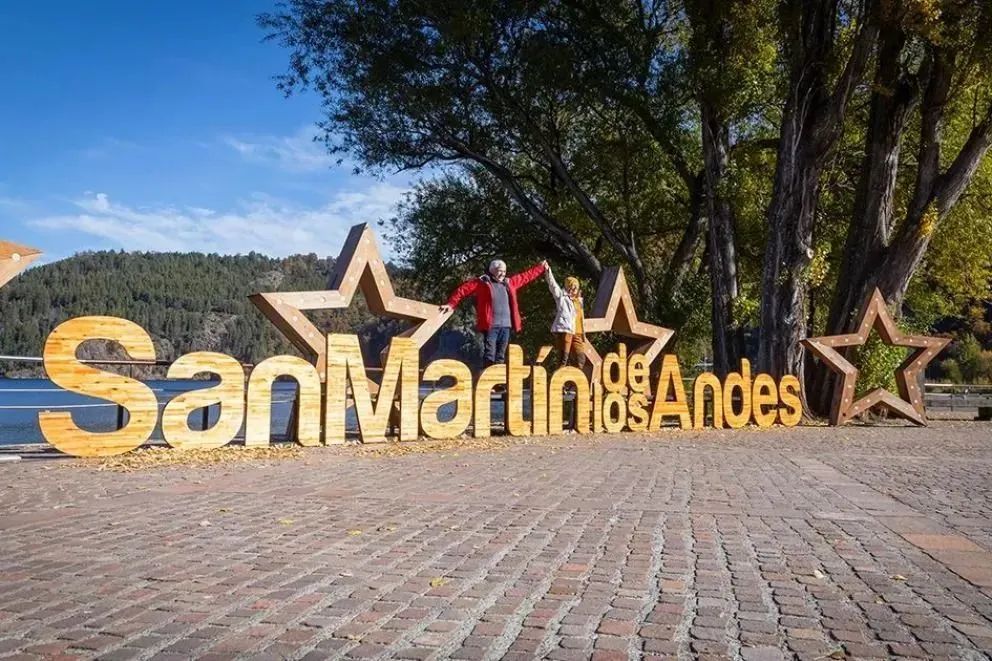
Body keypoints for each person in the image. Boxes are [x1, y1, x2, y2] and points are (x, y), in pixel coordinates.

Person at [440, 259, 548, 368]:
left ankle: (499, 378)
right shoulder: (482, 283)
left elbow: (526, 276)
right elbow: (463, 290)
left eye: (504, 271)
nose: (502, 274)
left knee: (501, 356)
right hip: (491, 326)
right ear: (492, 270)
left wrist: (541, 267)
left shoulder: (509, 283)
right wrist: (451, 304)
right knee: (489, 354)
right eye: (500, 271)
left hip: (506, 326)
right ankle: (487, 376)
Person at [545, 266, 586, 369]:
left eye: (575, 287)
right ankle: (559, 377)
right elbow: (553, 285)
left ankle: (574, 378)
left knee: (580, 359)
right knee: (563, 359)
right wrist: (548, 271)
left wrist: (583, 334)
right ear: (567, 288)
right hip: (565, 331)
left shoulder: (579, 301)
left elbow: (581, 318)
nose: (574, 290)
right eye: (571, 287)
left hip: (577, 333)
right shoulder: (562, 297)